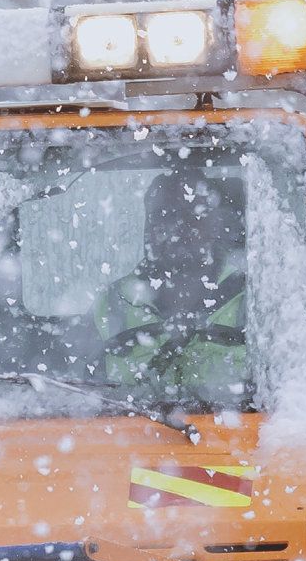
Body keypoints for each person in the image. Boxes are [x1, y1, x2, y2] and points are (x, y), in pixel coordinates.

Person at [98, 165, 250, 398]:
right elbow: (69, 393)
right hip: (123, 433)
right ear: (147, 226)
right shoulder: (112, 302)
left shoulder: (254, 303)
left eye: (190, 216)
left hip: (234, 433)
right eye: (162, 216)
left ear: (214, 223)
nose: (174, 229)